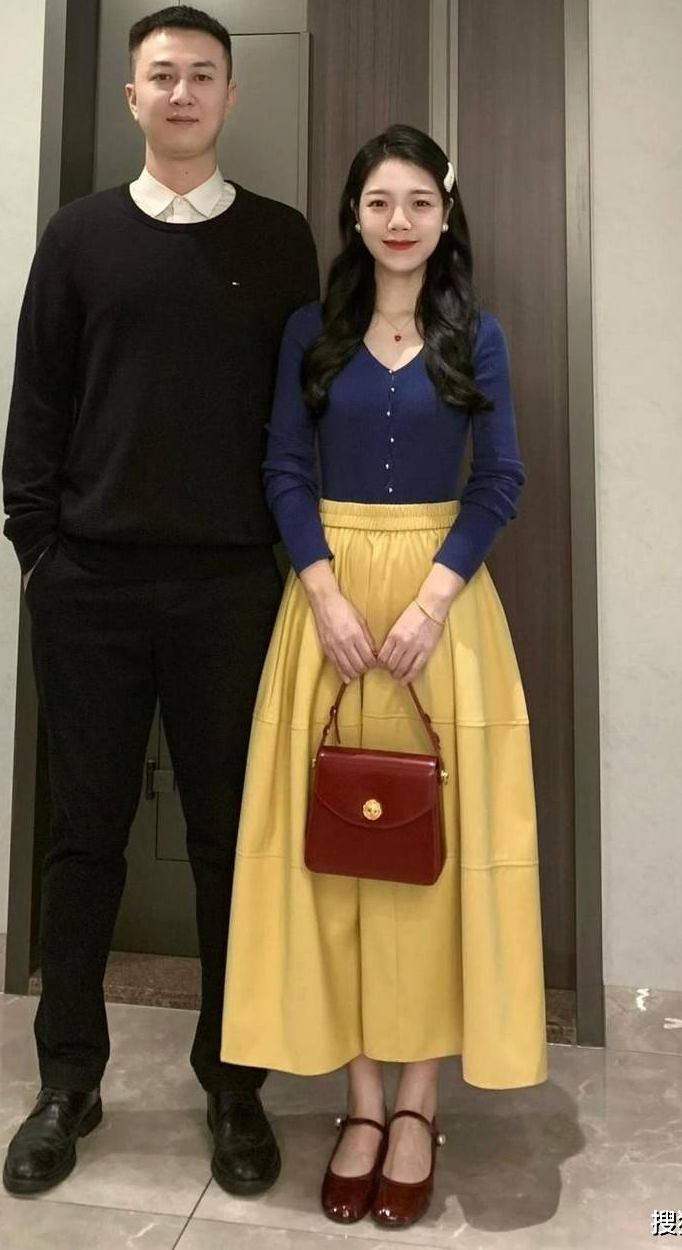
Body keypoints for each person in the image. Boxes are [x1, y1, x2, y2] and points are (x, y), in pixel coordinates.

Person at [0, 4, 320, 1197]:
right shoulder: (79, 235)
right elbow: (38, 399)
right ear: (132, 95)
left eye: (203, 74)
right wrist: (37, 549)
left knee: (232, 842)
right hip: (87, 584)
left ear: (231, 95)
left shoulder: (282, 241)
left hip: (231, 587)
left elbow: (303, 411)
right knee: (81, 838)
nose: (182, 91)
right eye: (162, 74)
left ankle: (232, 1081)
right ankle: (67, 1079)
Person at [221, 123, 548, 1231]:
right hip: (328, 610)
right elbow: (282, 465)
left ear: (446, 216)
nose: (398, 220)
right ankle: (360, 1103)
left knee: (431, 855)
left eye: (418, 202)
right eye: (378, 202)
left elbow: (500, 479)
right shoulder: (311, 332)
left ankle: (418, 1102)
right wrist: (321, 590)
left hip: (440, 615)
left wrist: (429, 600)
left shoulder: (477, 335)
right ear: (354, 216)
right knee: (340, 851)